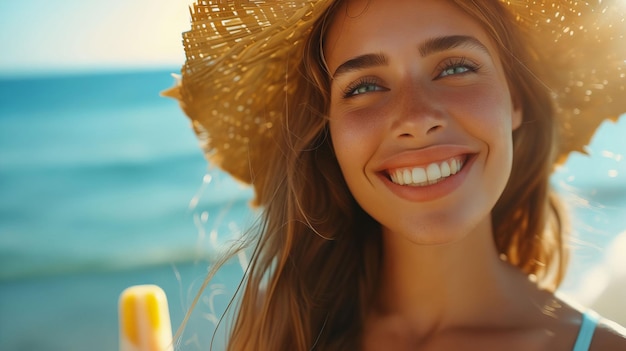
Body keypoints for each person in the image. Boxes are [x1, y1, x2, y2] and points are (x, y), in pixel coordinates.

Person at [164, 0, 626, 349]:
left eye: (456, 67)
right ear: (327, 132)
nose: (415, 117)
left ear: (516, 101)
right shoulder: (279, 336)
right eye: (364, 86)